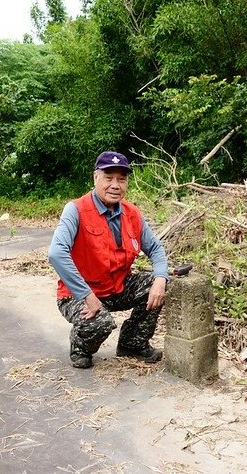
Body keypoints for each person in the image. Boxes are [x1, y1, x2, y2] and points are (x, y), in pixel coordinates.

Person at [48, 151, 169, 369]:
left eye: (121, 179)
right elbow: (56, 253)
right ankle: (80, 346)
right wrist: (86, 295)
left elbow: (156, 249)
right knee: (100, 324)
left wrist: (160, 278)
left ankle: (132, 343)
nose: (115, 185)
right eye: (108, 177)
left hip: (117, 288)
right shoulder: (75, 209)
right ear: (96, 178)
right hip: (79, 294)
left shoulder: (132, 213)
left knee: (157, 286)